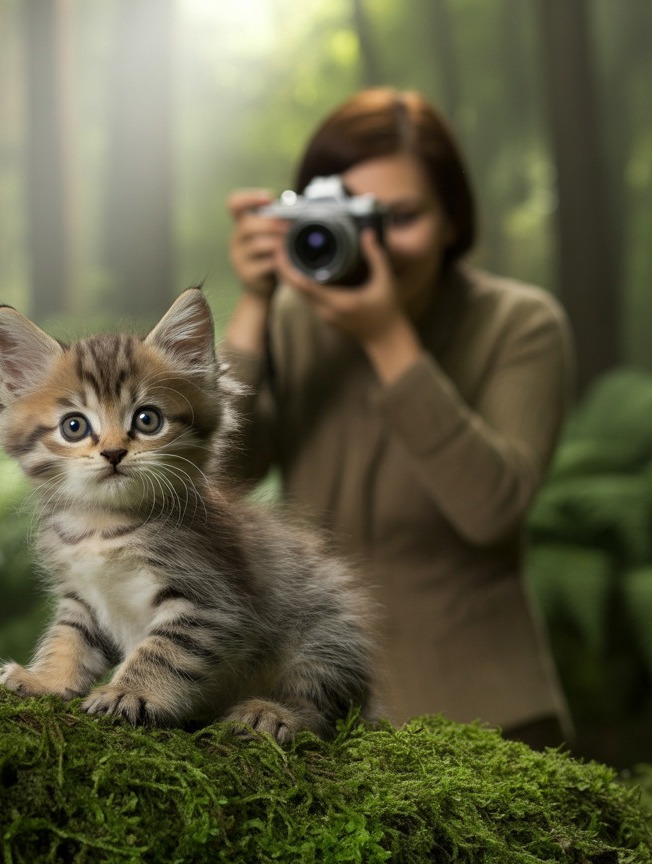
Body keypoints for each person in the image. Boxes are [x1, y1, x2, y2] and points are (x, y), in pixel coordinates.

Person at [221, 87, 573, 748]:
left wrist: (387, 338)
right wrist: (252, 306)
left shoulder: (521, 324)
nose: (376, 243)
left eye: (399, 217)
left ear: (452, 221)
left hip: (493, 713)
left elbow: (492, 510)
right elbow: (215, 477)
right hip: (327, 712)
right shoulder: (293, 323)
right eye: (353, 216)